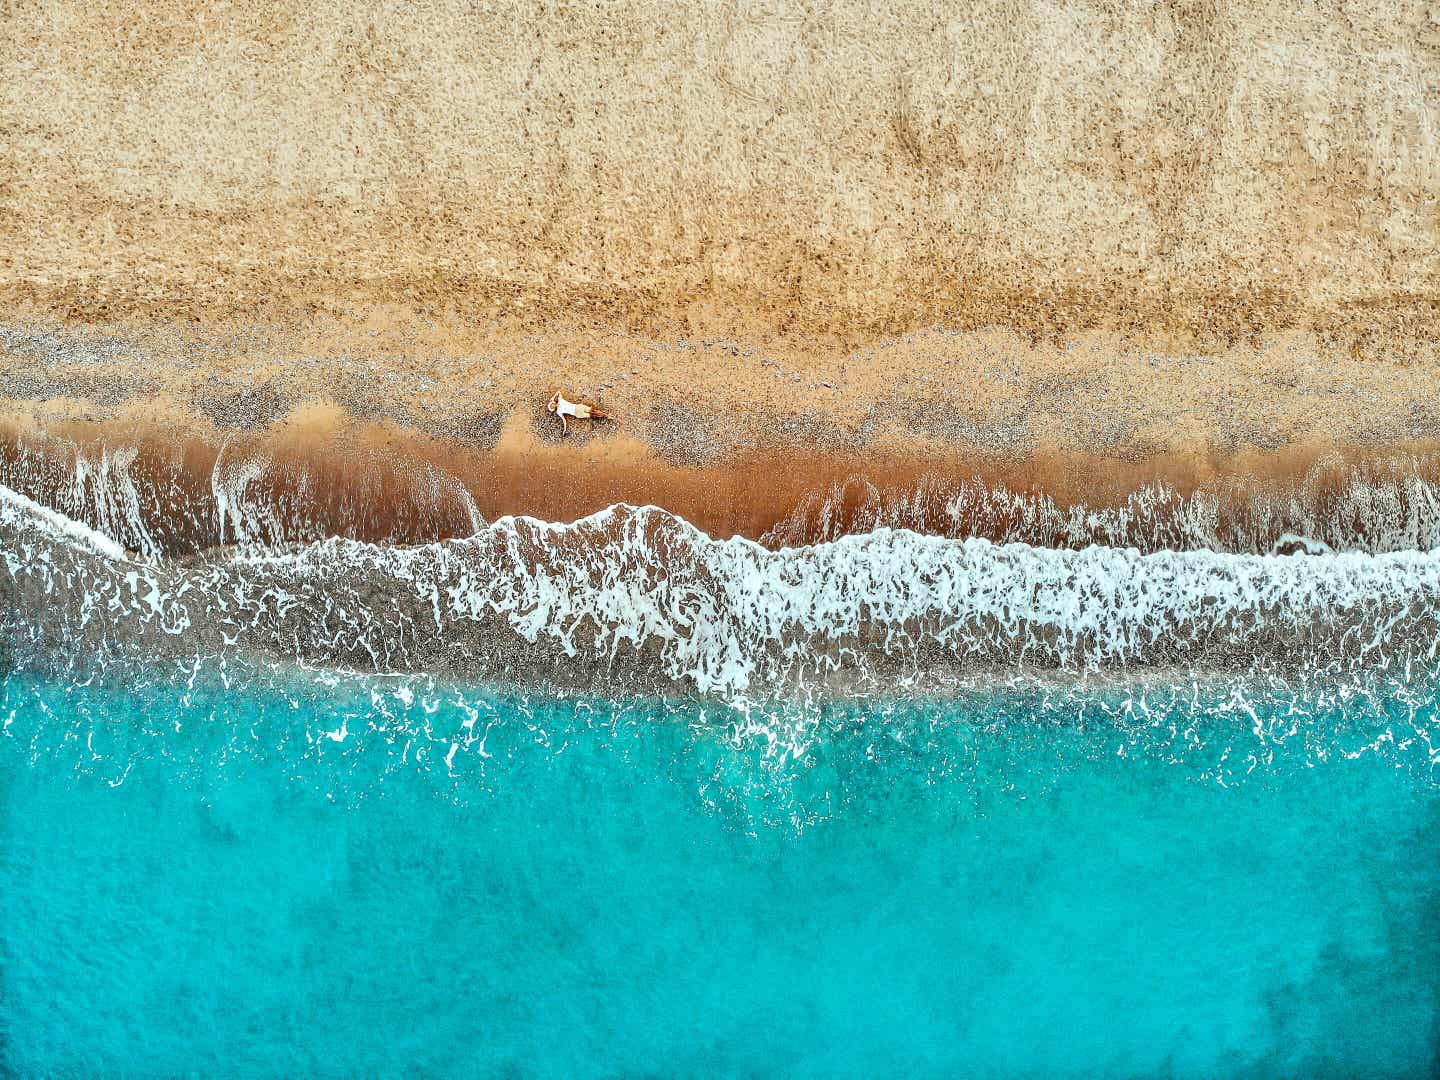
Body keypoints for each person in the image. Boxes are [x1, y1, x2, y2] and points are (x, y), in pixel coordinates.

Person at [546, 391, 612, 435]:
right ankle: (605, 416)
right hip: (577, 414)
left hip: (578, 407)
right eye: (552, 407)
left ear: (553, 402)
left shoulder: (560, 400)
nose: (553, 405)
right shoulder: (558, 412)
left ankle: (606, 415)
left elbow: (558, 392)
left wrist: (553, 397)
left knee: (592, 410)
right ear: (553, 409)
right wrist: (564, 429)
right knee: (592, 415)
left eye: (552, 404)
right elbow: (564, 420)